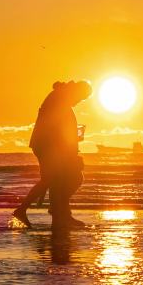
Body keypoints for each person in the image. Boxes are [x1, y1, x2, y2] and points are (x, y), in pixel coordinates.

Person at [13, 80, 92, 229]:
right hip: (48, 146)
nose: (79, 101)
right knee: (57, 179)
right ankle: (56, 214)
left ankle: (59, 213)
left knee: (58, 179)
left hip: (50, 146)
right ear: (77, 91)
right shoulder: (60, 99)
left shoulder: (62, 97)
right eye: (81, 98)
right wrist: (70, 143)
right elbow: (54, 128)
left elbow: (59, 127)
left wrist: (71, 140)